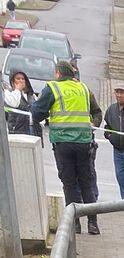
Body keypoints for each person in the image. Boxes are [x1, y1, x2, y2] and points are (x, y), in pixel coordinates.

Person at [31, 60, 103, 235]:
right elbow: (97, 112)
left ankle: (74, 223)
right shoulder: (84, 89)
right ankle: (93, 223)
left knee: (69, 184)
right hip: (84, 143)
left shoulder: (53, 88)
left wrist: (47, 114)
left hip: (63, 143)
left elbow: (36, 113)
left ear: (58, 73)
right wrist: (92, 124)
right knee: (86, 183)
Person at [4, 71, 40, 136]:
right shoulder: (9, 93)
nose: (21, 81)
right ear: (12, 82)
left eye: (23, 79)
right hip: (18, 130)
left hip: (33, 128)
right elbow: (14, 103)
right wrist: (17, 90)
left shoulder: (31, 95)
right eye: (18, 79)